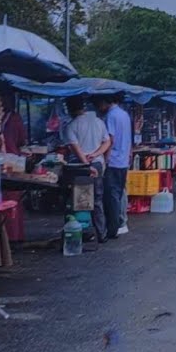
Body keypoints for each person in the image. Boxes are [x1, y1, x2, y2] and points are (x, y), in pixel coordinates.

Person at [62, 96, 110, 244]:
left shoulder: (71, 126)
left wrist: (87, 166)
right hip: (97, 163)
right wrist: (96, 154)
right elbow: (107, 142)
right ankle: (101, 234)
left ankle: (80, 233)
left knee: (79, 201)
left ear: (69, 109)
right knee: (97, 200)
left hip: (80, 167)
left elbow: (76, 150)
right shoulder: (98, 122)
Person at [95, 94, 132, 239]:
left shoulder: (110, 116)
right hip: (123, 160)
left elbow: (110, 140)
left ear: (105, 101)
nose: (98, 107)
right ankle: (121, 223)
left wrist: (105, 159)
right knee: (119, 192)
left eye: (99, 104)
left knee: (112, 196)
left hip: (114, 160)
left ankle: (113, 228)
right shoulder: (124, 114)